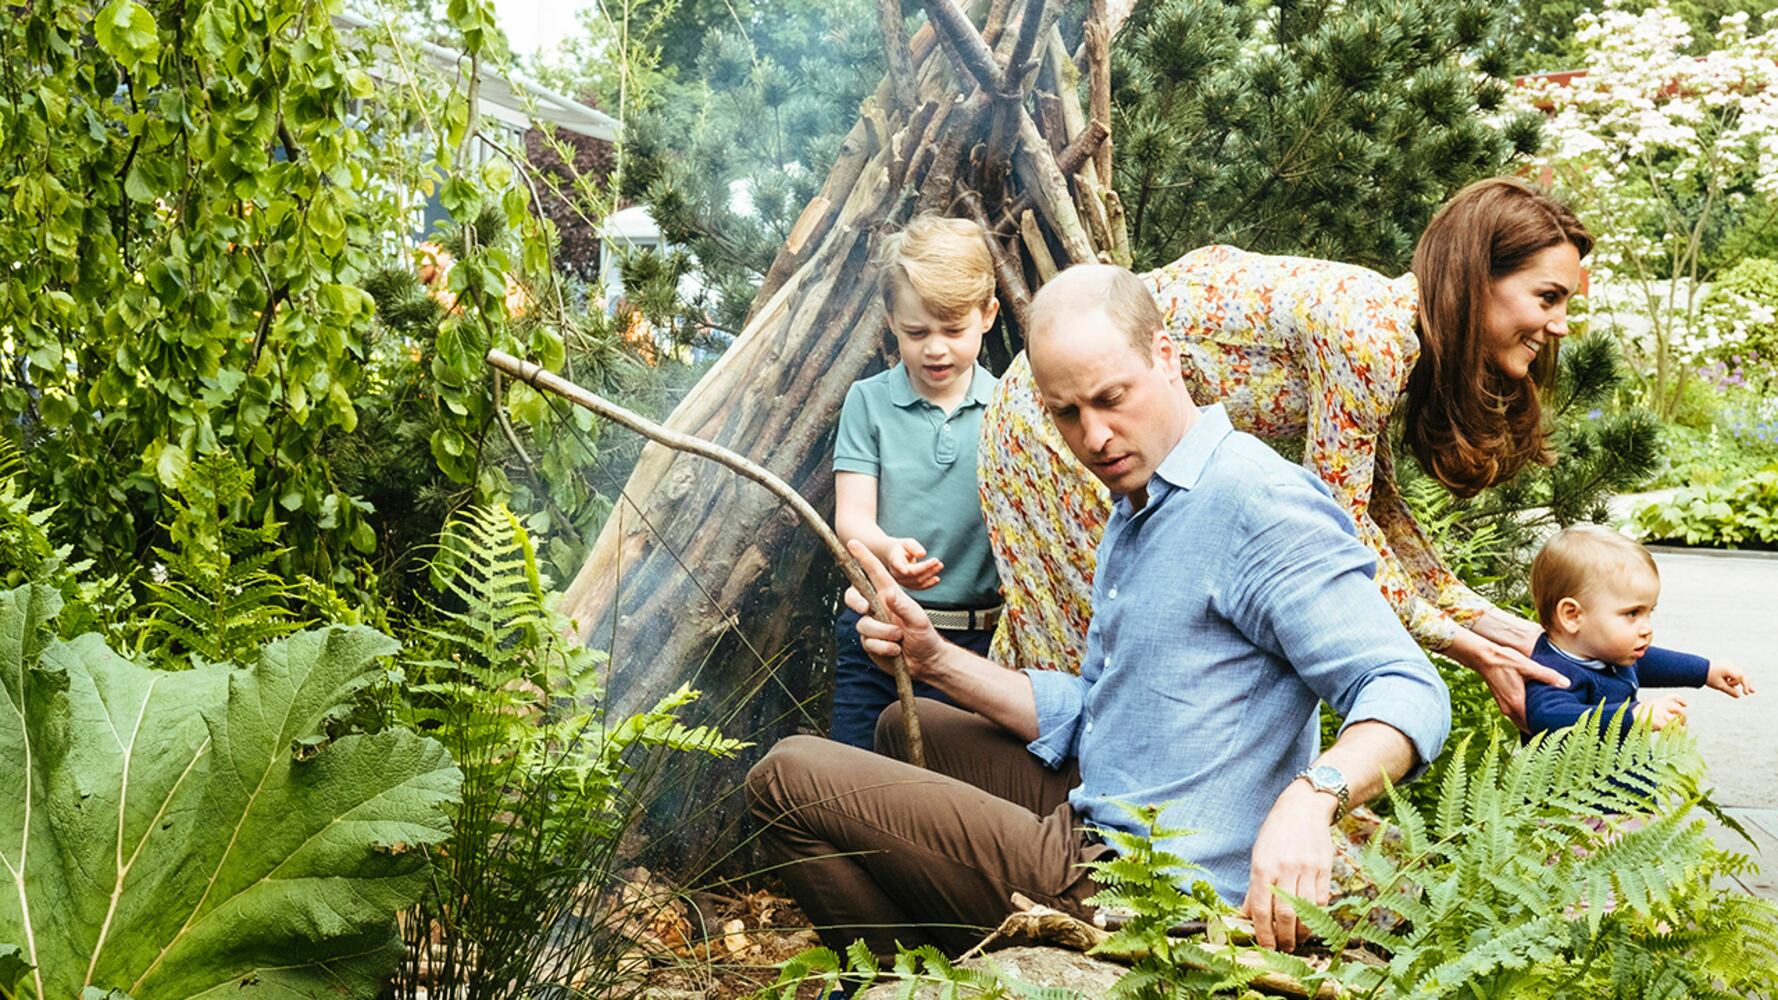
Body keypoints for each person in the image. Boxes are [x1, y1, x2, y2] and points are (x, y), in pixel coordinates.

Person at [747, 264, 1450, 963]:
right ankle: (948, 965)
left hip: (1148, 890)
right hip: (1116, 805)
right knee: (904, 725)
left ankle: (915, 977)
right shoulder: (1141, 502)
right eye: (1067, 413)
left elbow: (1406, 688)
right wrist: (932, 658)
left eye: (1113, 398)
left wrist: (1313, 797)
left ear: (1166, 357)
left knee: (785, 776)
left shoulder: (1256, 503)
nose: (1096, 437)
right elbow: (1106, 713)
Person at [980, 177, 1592, 729]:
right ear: (1478, 278)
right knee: (1102, 652)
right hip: (1050, 414)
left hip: (1079, 411)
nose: (1560, 324)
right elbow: (1342, 534)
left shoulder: (1393, 333)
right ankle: (1077, 837)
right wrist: (1464, 646)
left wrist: (1490, 623)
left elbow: (1378, 511)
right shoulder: (1370, 335)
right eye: (1547, 297)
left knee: (1088, 642)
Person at [828, 216, 1004, 749]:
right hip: (879, 631)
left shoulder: (1009, 409)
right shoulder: (869, 402)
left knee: (952, 797)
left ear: (988, 315)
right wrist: (886, 548)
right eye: (917, 332)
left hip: (977, 643)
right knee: (856, 782)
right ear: (891, 321)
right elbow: (851, 516)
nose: (936, 349)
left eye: (954, 330)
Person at [1524, 524, 1754, 740]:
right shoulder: (1554, 672)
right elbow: (1547, 718)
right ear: (1572, 615)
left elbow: (1645, 662)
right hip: (1580, 781)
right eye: (1632, 613)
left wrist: (1705, 670)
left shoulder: (1607, 652)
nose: (1647, 628)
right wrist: (1632, 716)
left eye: (1649, 612)